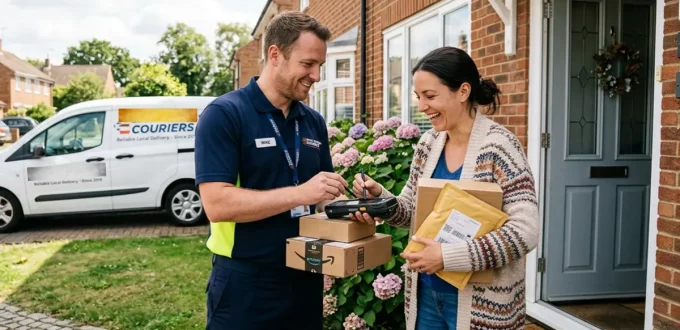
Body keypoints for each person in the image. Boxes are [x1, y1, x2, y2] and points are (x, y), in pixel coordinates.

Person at [350, 46, 539, 330]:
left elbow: (526, 230)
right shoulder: (428, 144)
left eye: (430, 96)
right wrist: (381, 198)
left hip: (482, 305)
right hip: (427, 295)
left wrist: (448, 257)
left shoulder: (499, 146)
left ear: (463, 92)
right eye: (418, 97)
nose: (422, 106)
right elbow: (412, 212)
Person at [194, 11, 348, 330]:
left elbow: (320, 200)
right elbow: (217, 205)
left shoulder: (313, 122)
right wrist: (300, 194)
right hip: (246, 283)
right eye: (308, 64)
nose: (316, 76)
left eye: (320, 65)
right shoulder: (224, 114)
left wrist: (352, 207)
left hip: (306, 274)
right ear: (275, 55)